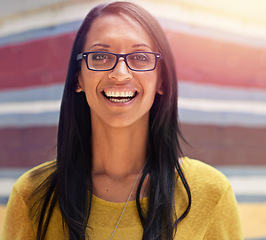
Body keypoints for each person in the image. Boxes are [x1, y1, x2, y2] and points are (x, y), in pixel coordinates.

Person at [1, 2, 242, 239]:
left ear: (161, 81)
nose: (120, 74)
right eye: (100, 56)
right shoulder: (31, 196)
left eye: (139, 57)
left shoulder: (211, 193)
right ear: (78, 79)